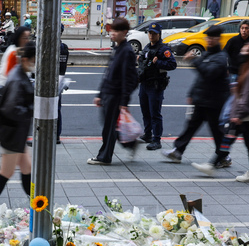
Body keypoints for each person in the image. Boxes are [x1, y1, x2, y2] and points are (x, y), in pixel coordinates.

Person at [192, 42, 249, 183]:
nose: (241, 53)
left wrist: (239, 115)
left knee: (245, 143)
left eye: (245, 51)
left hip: (247, 116)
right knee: (230, 139)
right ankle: (212, 165)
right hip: (245, 114)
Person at [163, 25, 229, 163]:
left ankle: (223, 156)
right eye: (208, 37)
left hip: (214, 102)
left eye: (212, 38)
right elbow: (200, 78)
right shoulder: (207, 54)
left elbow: (209, 73)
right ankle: (178, 151)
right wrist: (192, 93)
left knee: (217, 131)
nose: (209, 40)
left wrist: (194, 60)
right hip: (202, 99)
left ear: (218, 39)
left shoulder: (221, 57)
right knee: (191, 126)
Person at [0, 43, 35, 208]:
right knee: (6, 172)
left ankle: (37, 205)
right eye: (34, 60)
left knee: (27, 168)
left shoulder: (19, 73)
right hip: (12, 133)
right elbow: (11, 109)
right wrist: (32, 108)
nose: (36, 64)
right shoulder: (18, 78)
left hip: (16, 133)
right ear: (26, 59)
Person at [88, 17, 138, 165]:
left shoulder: (127, 51)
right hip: (108, 94)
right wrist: (100, 95)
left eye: (116, 31)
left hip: (116, 95)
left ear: (125, 32)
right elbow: (107, 74)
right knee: (109, 126)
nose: (112, 33)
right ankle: (130, 143)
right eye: (112, 30)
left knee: (109, 128)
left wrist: (124, 101)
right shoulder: (117, 49)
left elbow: (128, 79)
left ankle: (104, 157)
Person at [138, 22, 177, 151]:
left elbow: (172, 64)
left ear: (159, 34)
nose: (151, 35)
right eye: (150, 33)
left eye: (154, 34)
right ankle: (148, 134)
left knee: (155, 113)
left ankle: (156, 140)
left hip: (155, 85)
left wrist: (158, 62)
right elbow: (143, 61)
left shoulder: (163, 49)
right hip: (144, 83)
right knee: (145, 111)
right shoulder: (147, 47)